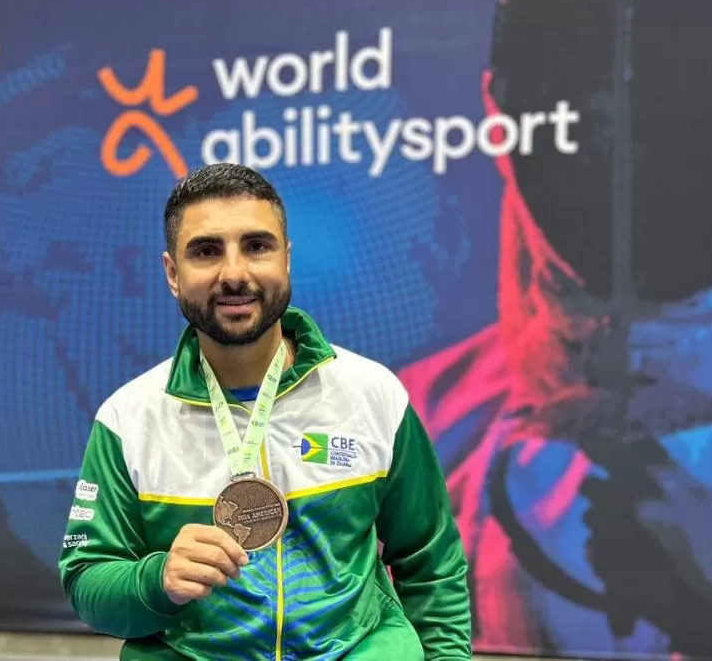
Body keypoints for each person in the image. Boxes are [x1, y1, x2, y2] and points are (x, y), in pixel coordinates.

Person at [397, 0, 712, 657]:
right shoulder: (417, 430)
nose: (623, 142)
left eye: (673, 91)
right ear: (503, 113)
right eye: (586, 100)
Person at [58, 163, 471, 660]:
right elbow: (88, 582)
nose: (234, 273)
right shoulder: (129, 419)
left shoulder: (372, 394)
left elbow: (432, 563)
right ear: (173, 273)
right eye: (207, 251)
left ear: (286, 259)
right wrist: (155, 581)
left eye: (256, 246)